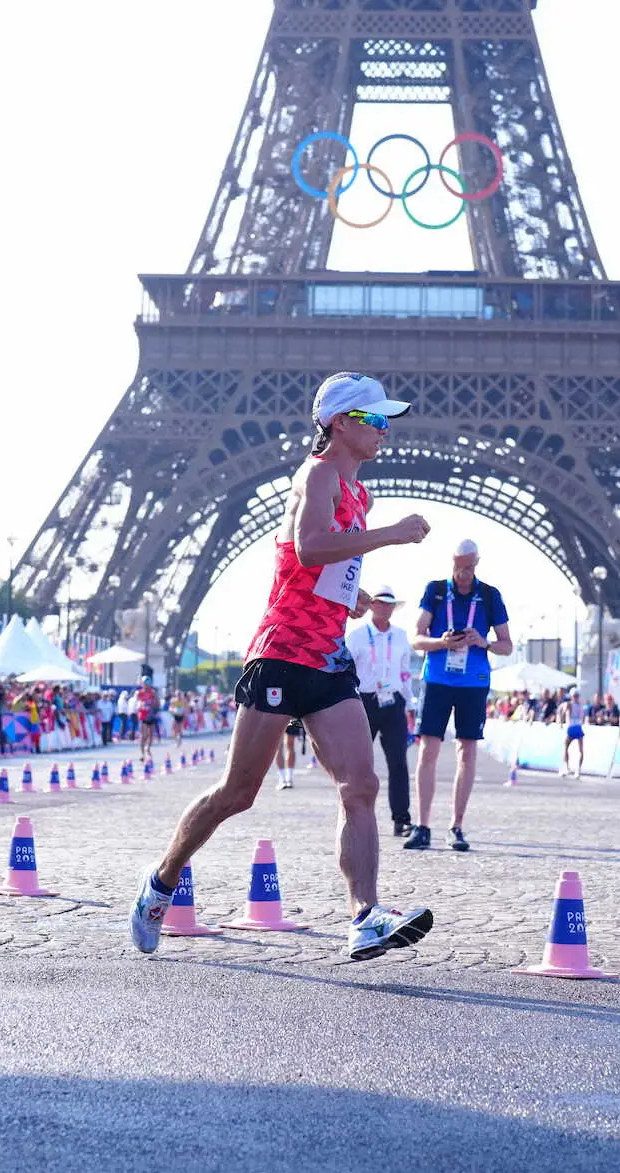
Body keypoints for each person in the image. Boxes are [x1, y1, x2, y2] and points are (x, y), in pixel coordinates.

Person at [128, 371, 433, 960]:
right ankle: (160, 882)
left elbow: (323, 566)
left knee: (361, 786)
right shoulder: (316, 474)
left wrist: (358, 596)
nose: (385, 430)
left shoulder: (359, 492)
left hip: (327, 657)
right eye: (374, 419)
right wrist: (389, 536)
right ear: (341, 423)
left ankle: (364, 916)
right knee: (238, 793)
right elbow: (312, 544)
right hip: (281, 654)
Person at [404, 540, 511, 852]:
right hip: (437, 678)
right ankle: (422, 825)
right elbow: (416, 639)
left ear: (476, 564)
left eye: (468, 568)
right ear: (451, 562)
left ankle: (456, 826)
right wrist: (442, 642)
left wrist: (484, 642)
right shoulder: (435, 591)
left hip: (473, 682)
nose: (463, 574)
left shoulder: (490, 595)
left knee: (467, 752)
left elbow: (507, 645)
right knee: (428, 751)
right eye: (458, 567)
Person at [346, 584, 414, 837]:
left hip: (393, 700)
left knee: (398, 761)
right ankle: (355, 815)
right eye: (381, 603)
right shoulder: (357, 636)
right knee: (360, 763)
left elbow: (405, 672)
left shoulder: (401, 636)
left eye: (390, 604)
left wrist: (409, 704)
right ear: (372, 605)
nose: (386, 608)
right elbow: (347, 670)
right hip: (364, 700)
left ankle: (401, 818)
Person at [558, 687, 586, 778]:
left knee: (565, 746)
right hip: (578, 726)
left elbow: (563, 711)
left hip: (571, 727)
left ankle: (567, 768)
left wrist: (561, 722)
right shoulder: (581, 705)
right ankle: (577, 771)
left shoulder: (569, 704)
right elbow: (583, 717)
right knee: (580, 750)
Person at [275, 718, 303, 790]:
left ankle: (289, 778)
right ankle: (282, 779)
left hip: (291, 715)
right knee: (278, 746)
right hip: (276, 712)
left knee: (290, 744)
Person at [137, 675, 159, 760]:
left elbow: (157, 704)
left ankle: (148, 749)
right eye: (145, 683)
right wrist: (142, 705)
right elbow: (138, 704)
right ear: (142, 684)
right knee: (143, 736)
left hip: (151, 715)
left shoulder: (153, 692)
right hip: (143, 716)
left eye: (148, 683)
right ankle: (142, 754)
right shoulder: (139, 693)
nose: (146, 685)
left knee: (151, 735)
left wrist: (153, 702)